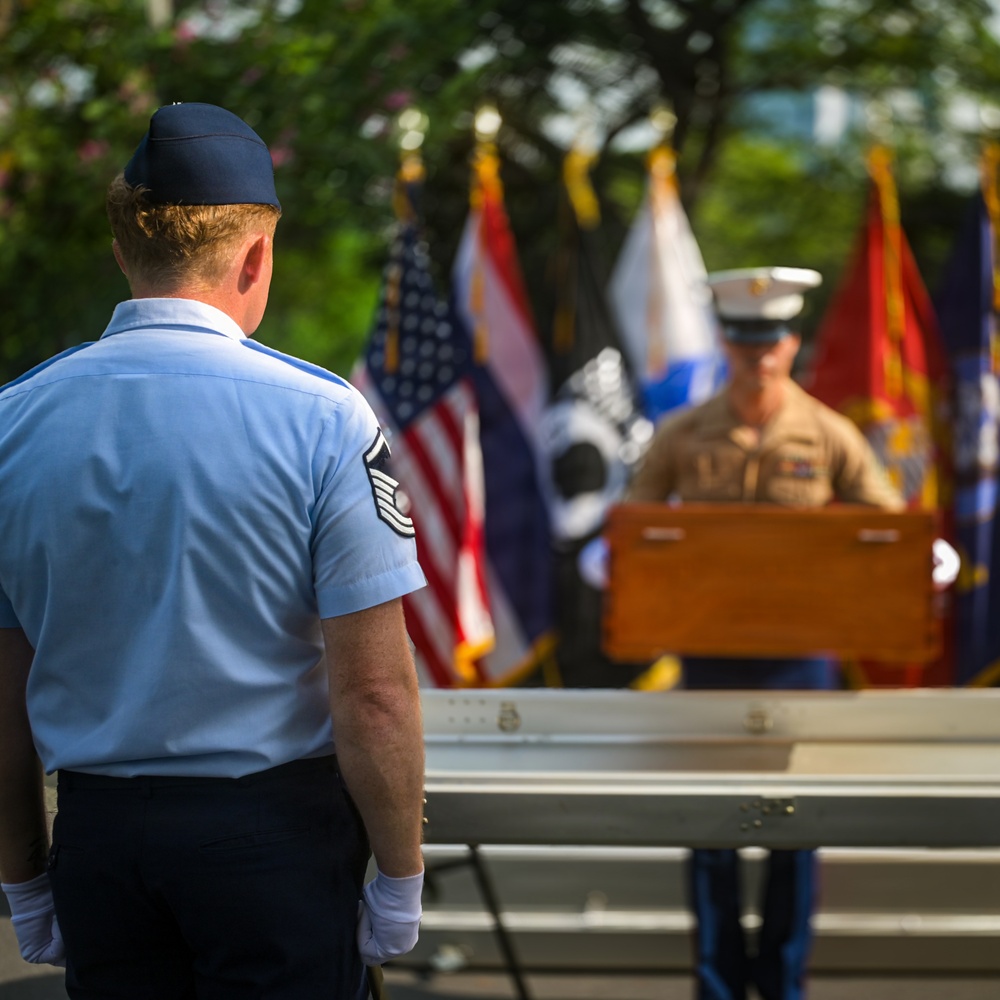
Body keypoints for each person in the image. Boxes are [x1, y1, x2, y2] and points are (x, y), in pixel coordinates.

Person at [0, 102, 427, 1000]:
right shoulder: (323, 418)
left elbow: (2, 696)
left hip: (100, 843)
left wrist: (24, 878)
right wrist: (400, 873)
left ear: (123, 252)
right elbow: (375, 694)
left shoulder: (14, 422)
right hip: (272, 845)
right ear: (256, 256)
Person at [625, 266, 905, 1000]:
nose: (759, 354)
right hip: (710, 657)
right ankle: (718, 984)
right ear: (726, 343)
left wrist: (914, 554)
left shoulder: (829, 432)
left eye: (771, 339)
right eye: (745, 340)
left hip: (800, 662)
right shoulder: (685, 433)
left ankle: (783, 983)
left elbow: (885, 520)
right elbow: (635, 521)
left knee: (794, 826)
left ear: (792, 342)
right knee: (711, 827)